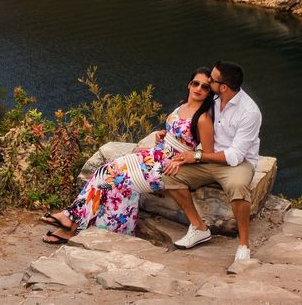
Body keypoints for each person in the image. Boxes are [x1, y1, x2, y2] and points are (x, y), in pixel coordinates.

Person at [39, 68, 215, 244]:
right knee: (104, 172)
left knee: (117, 180)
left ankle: (72, 222)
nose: (198, 88)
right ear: (189, 84)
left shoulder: (203, 118)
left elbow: (208, 154)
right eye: (195, 83)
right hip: (154, 155)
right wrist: (164, 133)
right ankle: (76, 225)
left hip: (167, 166)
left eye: (205, 87)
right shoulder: (183, 105)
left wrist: (189, 157)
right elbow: (178, 131)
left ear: (209, 93)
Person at [161, 59, 261, 265]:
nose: (207, 82)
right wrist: (167, 133)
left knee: (238, 186)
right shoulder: (213, 99)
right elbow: (189, 118)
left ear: (223, 87)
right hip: (207, 157)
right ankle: (199, 228)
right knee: (171, 173)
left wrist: (196, 157)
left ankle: (243, 245)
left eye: (211, 80)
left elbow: (234, 156)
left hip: (237, 163)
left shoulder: (249, 112)